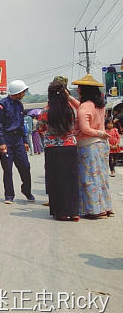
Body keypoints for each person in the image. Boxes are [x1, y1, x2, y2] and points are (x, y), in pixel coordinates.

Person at [68, 74, 113, 219]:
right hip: (101, 145)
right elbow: (82, 108)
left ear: (83, 90)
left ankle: (94, 210)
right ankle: (106, 207)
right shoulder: (99, 105)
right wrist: (70, 98)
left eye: (79, 88)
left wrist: (98, 132)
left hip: (88, 145)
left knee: (89, 178)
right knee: (101, 177)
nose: (77, 90)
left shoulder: (85, 106)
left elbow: (85, 128)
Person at [36, 81, 79, 221]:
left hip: (52, 148)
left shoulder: (46, 111)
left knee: (56, 179)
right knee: (71, 178)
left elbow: (40, 128)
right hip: (69, 146)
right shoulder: (70, 109)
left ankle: (61, 212)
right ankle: (74, 212)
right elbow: (74, 124)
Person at [0, 80, 35, 204]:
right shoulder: (1, 105)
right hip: (6, 140)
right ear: (17, 92)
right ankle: (9, 195)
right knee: (7, 169)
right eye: (23, 91)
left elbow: (21, 124)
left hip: (18, 140)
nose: (24, 94)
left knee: (25, 166)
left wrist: (25, 141)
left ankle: (26, 191)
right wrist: (1, 143)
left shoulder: (19, 105)